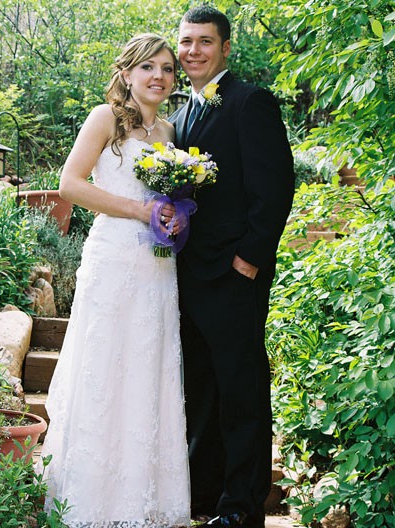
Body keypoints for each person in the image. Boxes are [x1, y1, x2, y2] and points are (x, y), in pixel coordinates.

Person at [38, 33, 190, 528]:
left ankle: (141, 501)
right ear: (126, 73)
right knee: (105, 369)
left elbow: (166, 199)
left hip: (157, 267)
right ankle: (90, 501)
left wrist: (173, 216)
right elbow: (71, 184)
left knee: (150, 370)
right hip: (113, 260)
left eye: (167, 69)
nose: (159, 77)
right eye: (148, 67)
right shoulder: (104, 119)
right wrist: (138, 209)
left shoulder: (169, 133)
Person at [169, 6, 295, 528]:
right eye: (186, 41)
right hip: (186, 277)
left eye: (204, 41)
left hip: (233, 275)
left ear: (224, 48)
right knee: (200, 389)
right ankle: (206, 497)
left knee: (241, 391)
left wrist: (250, 259)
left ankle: (242, 508)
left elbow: (275, 188)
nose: (192, 51)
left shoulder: (250, 102)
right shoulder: (180, 115)